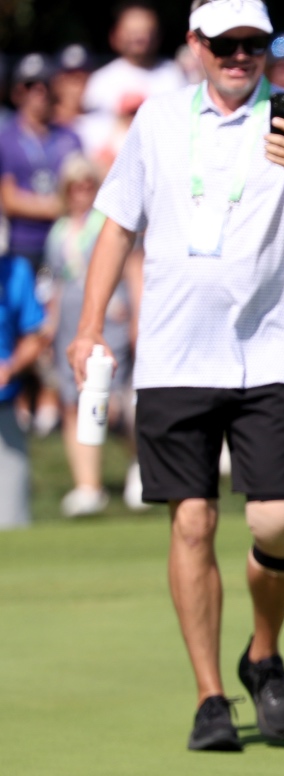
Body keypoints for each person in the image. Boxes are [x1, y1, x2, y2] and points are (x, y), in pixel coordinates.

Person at [67, 0, 284, 751]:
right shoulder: (157, 119)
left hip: (270, 350)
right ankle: (210, 696)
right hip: (174, 352)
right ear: (196, 44)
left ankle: (262, 655)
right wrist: (89, 326)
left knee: (275, 521)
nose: (240, 56)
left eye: (254, 43)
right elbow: (116, 225)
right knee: (192, 521)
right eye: (226, 43)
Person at [50, 154, 145, 517]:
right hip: (69, 324)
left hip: (110, 320)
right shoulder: (60, 230)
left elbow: (133, 269)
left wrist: (137, 315)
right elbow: (56, 280)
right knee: (72, 401)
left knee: (112, 401)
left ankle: (141, 461)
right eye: (75, 187)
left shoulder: (108, 221)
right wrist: (49, 324)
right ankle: (88, 485)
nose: (81, 192)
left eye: (88, 185)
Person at [1, 54, 84, 269]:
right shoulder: (6, 138)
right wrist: (58, 205)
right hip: (23, 244)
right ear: (17, 91)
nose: (39, 92)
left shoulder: (70, 137)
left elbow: (84, 191)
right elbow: (9, 200)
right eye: (30, 85)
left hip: (65, 240)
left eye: (45, 84)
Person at [0, 251, 45, 529]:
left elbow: (34, 335)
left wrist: (10, 367)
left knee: (10, 521)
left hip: (5, 409)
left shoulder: (16, 271)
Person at [83, 1, 188, 116]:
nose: (139, 38)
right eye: (132, 32)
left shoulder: (174, 75)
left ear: (158, 34)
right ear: (114, 35)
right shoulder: (100, 81)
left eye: (146, 31)